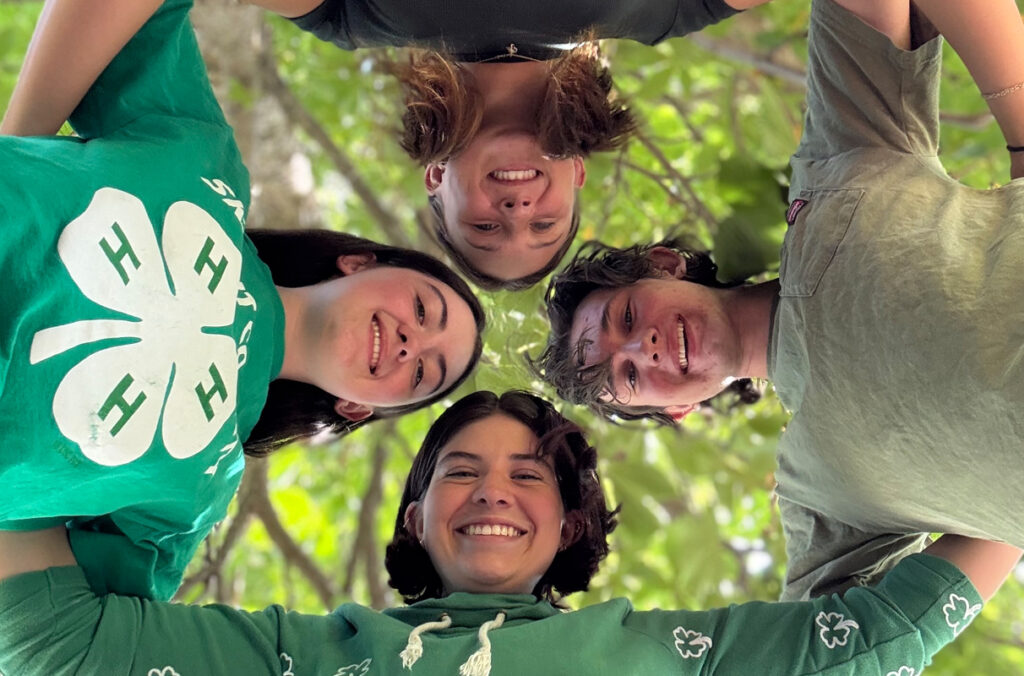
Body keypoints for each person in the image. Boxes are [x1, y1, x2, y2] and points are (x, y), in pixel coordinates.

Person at [537, 0, 1024, 601]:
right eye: (630, 375)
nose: (645, 347)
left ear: (665, 265)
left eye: (626, 318)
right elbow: (835, 652)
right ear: (679, 412)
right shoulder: (822, 496)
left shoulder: (833, 171)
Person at [0, 0, 485, 602]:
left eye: (422, 373)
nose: (413, 343)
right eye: (423, 309)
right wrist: (18, 152)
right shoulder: (208, 168)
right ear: (361, 262)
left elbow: (62, 629)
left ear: (358, 409)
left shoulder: (189, 503)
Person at [0, 390, 1019, 676]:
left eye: (527, 475)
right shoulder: (305, 654)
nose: (494, 493)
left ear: (568, 521)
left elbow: (881, 633)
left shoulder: (665, 656)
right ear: (416, 517)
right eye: (463, 471)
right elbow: (55, 642)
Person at [220, 0, 771, 289]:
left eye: (485, 227)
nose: (516, 212)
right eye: (543, 225)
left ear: (435, 175)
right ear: (577, 174)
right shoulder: (674, 10)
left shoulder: (349, 16)